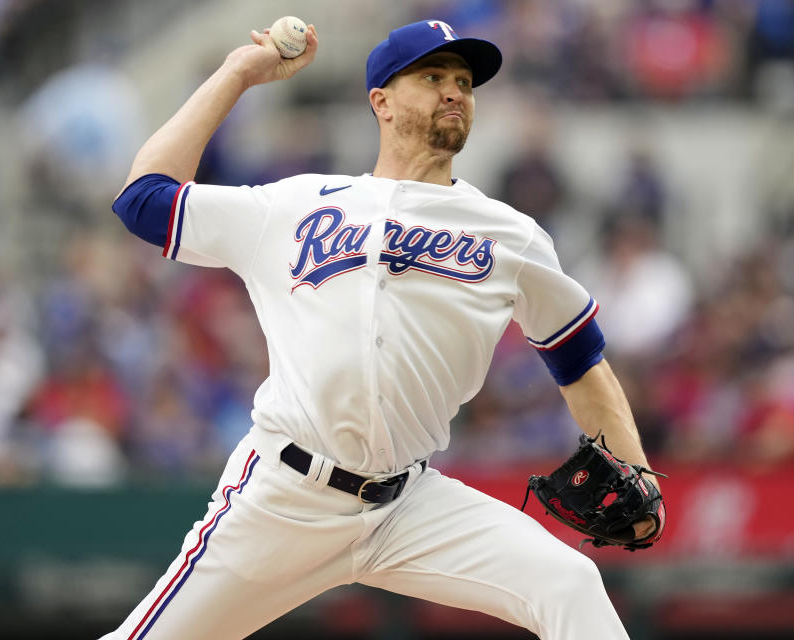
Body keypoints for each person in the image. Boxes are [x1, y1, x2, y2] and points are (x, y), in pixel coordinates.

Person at [104, 18, 662, 640]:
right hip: (286, 496)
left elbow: (581, 360)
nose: (455, 91)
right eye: (432, 77)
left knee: (570, 584)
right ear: (382, 102)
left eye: (464, 82)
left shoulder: (512, 235)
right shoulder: (295, 205)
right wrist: (238, 74)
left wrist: (637, 476)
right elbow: (142, 200)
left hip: (409, 505)